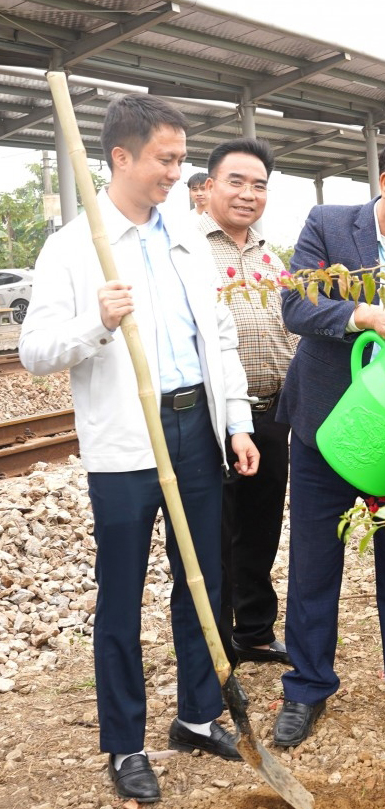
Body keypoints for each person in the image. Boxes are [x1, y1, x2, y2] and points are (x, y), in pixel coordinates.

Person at [18, 94, 259, 803]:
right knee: (121, 596)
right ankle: (125, 743)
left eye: (181, 159)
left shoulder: (184, 233)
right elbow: (34, 350)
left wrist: (236, 421)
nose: (176, 172)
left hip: (195, 430)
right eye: (166, 159)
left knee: (202, 581)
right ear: (121, 157)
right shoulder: (72, 246)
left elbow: (217, 335)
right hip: (126, 444)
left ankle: (195, 713)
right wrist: (94, 322)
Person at [274, 131, 385, 749]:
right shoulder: (329, 226)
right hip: (327, 428)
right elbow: (296, 306)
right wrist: (363, 315)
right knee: (314, 565)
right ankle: (305, 687)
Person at [198, 138, 296, 669]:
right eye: (236, 181)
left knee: (261, 526)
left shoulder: (268, 253)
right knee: (217, 530)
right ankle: (214, 646)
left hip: (272, 413)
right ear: (209, 186)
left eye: (259, 185)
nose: (248, 193)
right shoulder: (188, 251)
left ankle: (255, 632)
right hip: (214, 416)